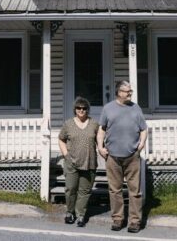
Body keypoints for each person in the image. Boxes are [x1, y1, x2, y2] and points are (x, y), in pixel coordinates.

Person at [97, 80, 148, 233]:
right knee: (115, 190)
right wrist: (100, 147)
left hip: (132, 156)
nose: (130, 93)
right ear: (119, 92)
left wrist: (141, 143)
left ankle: (134, 221)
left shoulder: (135, 108)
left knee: (135, 191)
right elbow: (102, 129)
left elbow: (144, 129)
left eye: (130, 91)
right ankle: (118, 220)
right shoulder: (108, 109)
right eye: (127, 91)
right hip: (112, 156)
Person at [58, 96, 99, 227]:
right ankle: (70, 212)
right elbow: (61, 139)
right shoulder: (68, 124)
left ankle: (81, 215)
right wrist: (65, 154)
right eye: (78, 108)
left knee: (85, 191)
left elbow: (101, 140)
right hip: (71, 162)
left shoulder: (94, 124)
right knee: (70, 189)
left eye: (84, 108)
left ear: (88, 110)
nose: (81, 110)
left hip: (89, 162)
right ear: (74, 109)